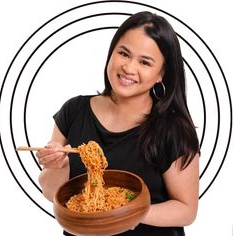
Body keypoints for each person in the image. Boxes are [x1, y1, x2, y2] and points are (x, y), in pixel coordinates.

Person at [37, 11, 200, 236]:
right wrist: (59, 166)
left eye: (145, 62)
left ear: (161, 73)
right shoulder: (74, 111)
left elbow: (187, 210)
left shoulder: (172, 130)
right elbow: (52, 193)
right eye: (124, 53)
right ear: (111, 53)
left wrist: (122, 212)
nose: (129, 68)